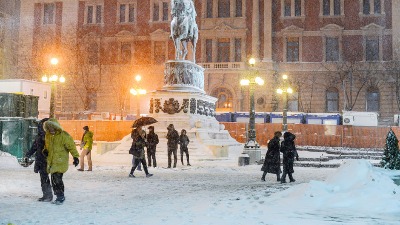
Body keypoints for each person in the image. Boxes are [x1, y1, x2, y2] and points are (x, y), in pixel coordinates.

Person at [43, 118, 80, 205]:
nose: (51, 129)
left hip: (60, 161)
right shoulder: (47, 135)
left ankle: (60, 196)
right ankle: (58, 196)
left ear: (56, 127)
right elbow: (47, 146)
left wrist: (75, 157)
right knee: (53, 179)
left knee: (57, 179)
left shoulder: (64, 135)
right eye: (49, 127)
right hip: (52, 161)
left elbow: (71, 146)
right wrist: (45, 150)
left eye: (52, 127)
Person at [24, 118, 53, 202]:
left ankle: (48, 195)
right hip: (41, 159)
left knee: (45, 178)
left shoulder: (47, 137)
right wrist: (28, 154)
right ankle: (46, 195)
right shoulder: (41, 136)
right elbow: (34, 147)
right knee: (43, 178)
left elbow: (35, 147)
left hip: (44, 160)